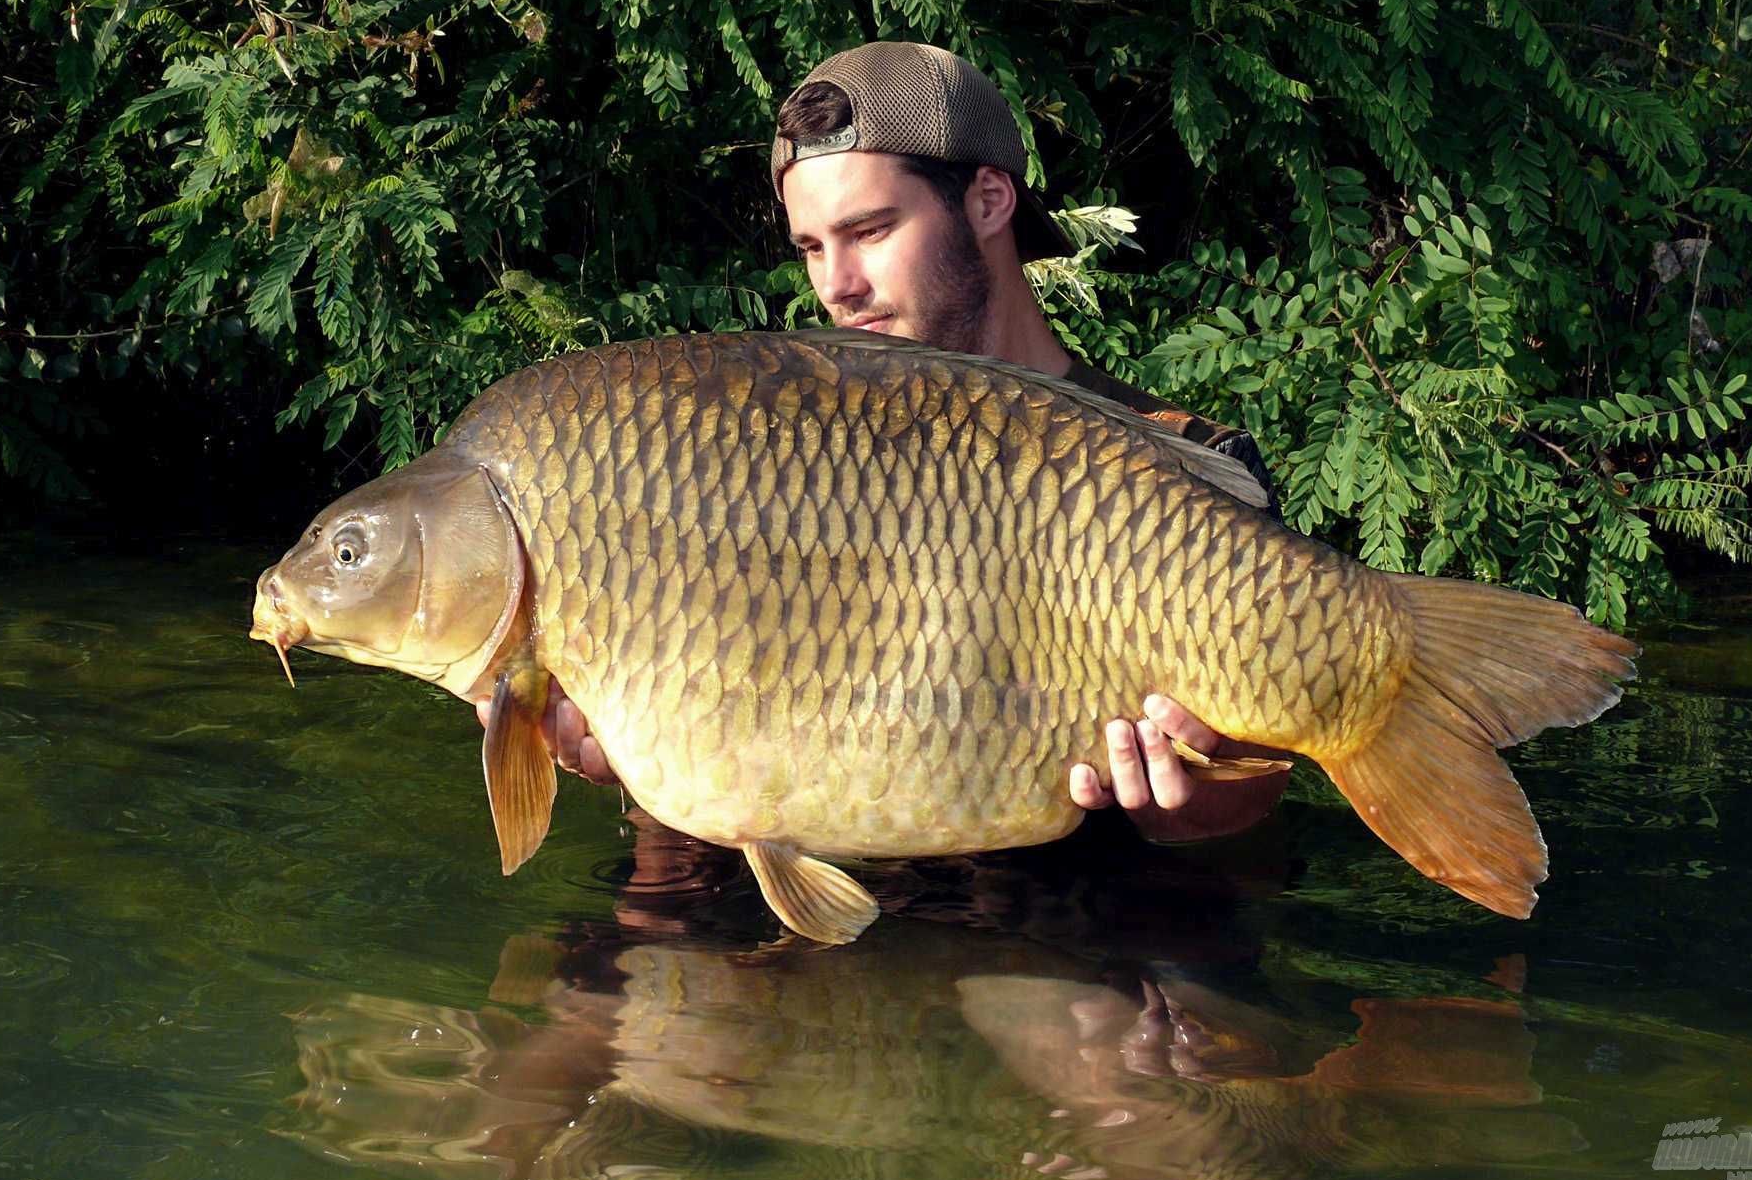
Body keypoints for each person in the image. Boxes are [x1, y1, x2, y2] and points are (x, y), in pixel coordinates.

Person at [478, 41, 1289, 844]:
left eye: (868, 230)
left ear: (989, 200)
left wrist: (1185, 808)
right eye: (810, 248)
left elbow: (1261, 798)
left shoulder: (1179, 469)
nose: (836, 285)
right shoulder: (768, 440)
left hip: (1067, 939)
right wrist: (632, 746)